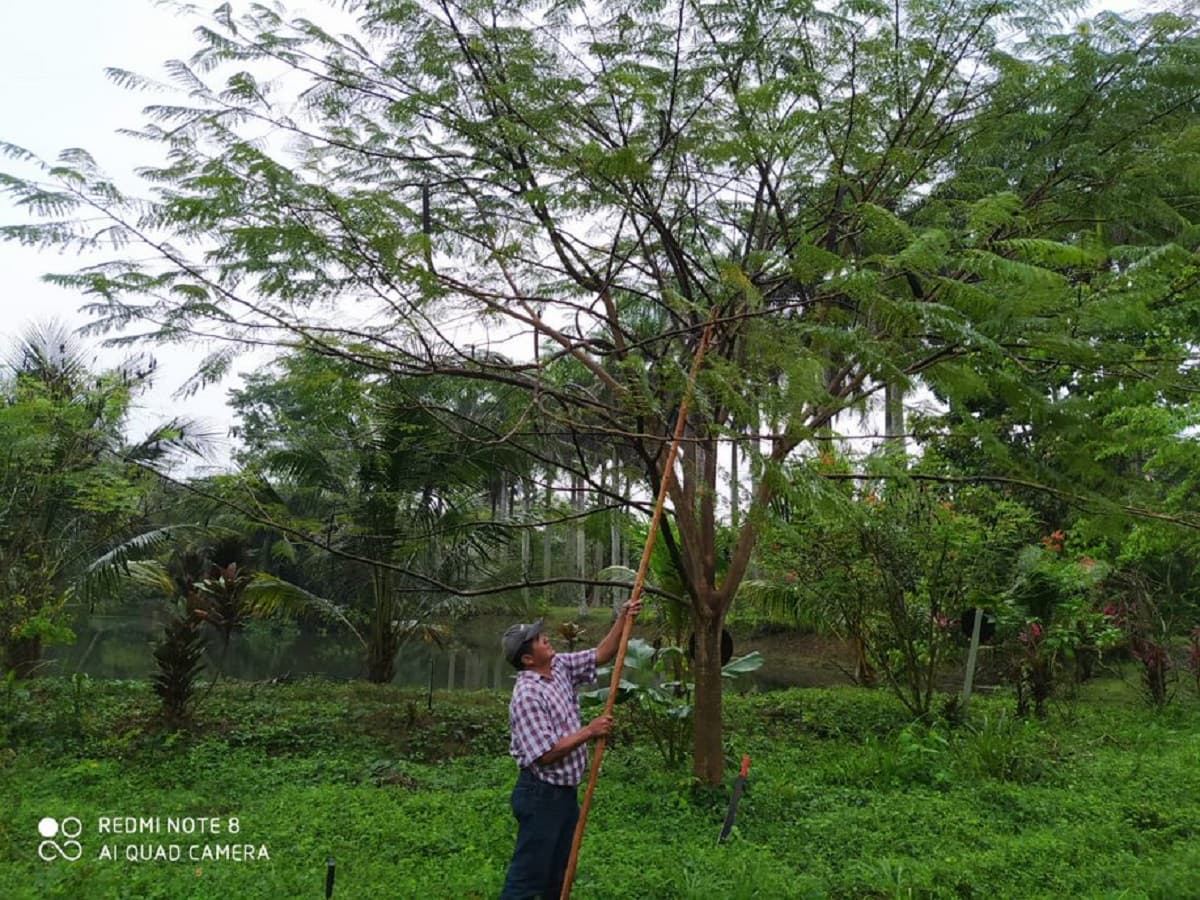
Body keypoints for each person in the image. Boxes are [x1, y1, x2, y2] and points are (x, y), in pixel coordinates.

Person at [499, 597, 642, 900]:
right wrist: (589, 731)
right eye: (538, 639)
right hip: (541, 794)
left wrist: (624, 618)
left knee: (558, 875)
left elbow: (601, 654)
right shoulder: (527, 695)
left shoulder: (559, 666)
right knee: (529, 878)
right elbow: (546, 754)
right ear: (527, 659)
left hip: (564, 794)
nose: (546, 638)